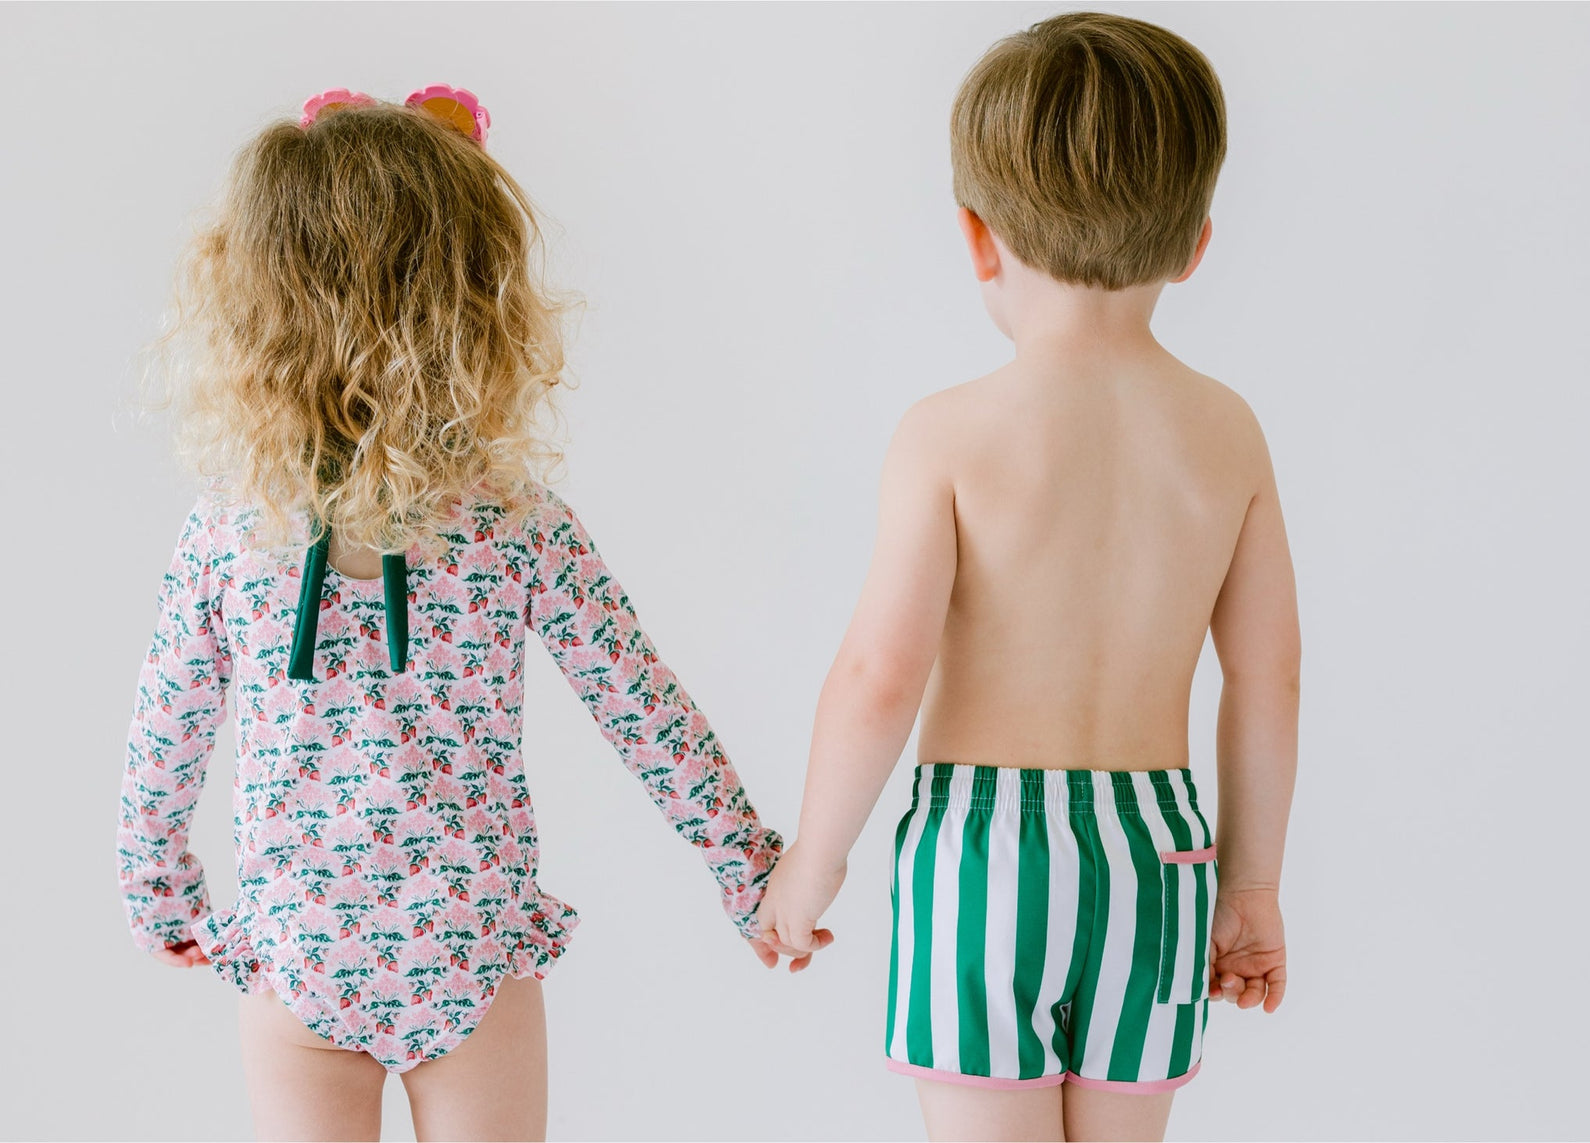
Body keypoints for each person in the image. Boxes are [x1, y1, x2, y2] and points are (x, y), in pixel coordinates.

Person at [116, 84, 793, 1142]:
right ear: (473, 304)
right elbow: (640, 706)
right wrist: (746, 866)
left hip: (299, 956)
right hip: (471, 958)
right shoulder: (514, 523)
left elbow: (168, 730)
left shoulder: (229, 531)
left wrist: (156, 888)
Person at [756, 15, 1300, 1141]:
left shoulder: (949, 434)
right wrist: (1249, 889)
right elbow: (1267, 678)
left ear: (977, 237)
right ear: (1197, 242)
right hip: (1157, 855)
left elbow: (877, 673)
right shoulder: (1226, 433)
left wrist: (812, 863)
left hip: (983, 855)